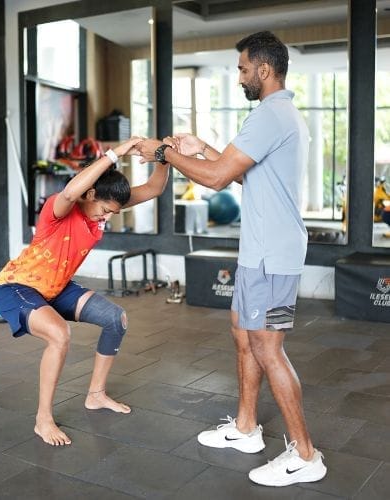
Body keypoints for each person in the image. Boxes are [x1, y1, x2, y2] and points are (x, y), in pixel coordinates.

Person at [136, 31, 327, 487]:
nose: (239, 77)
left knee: (267, 347)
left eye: (243, 69)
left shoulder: (270, 114)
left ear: (264, 69)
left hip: (272, 255)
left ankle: (306, 455)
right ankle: (245, 428)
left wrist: (163, 153)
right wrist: (201, 148)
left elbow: (219, 179)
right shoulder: (278, 115)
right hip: (259, 250)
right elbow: (244, 175)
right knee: (243, 334)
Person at [0, 136, 169, 446]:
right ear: (90, 194)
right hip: (16, 286)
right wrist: (116, 152)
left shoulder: (105, 203)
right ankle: (43, 419)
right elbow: (71, 191)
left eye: (113, 213)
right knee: (59, 335)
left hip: (56, 287)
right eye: (105, 210)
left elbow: (154, 188)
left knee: (115, 319)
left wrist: (164, 156)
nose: (107, 217)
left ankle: (96, 395)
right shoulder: (59, 209)